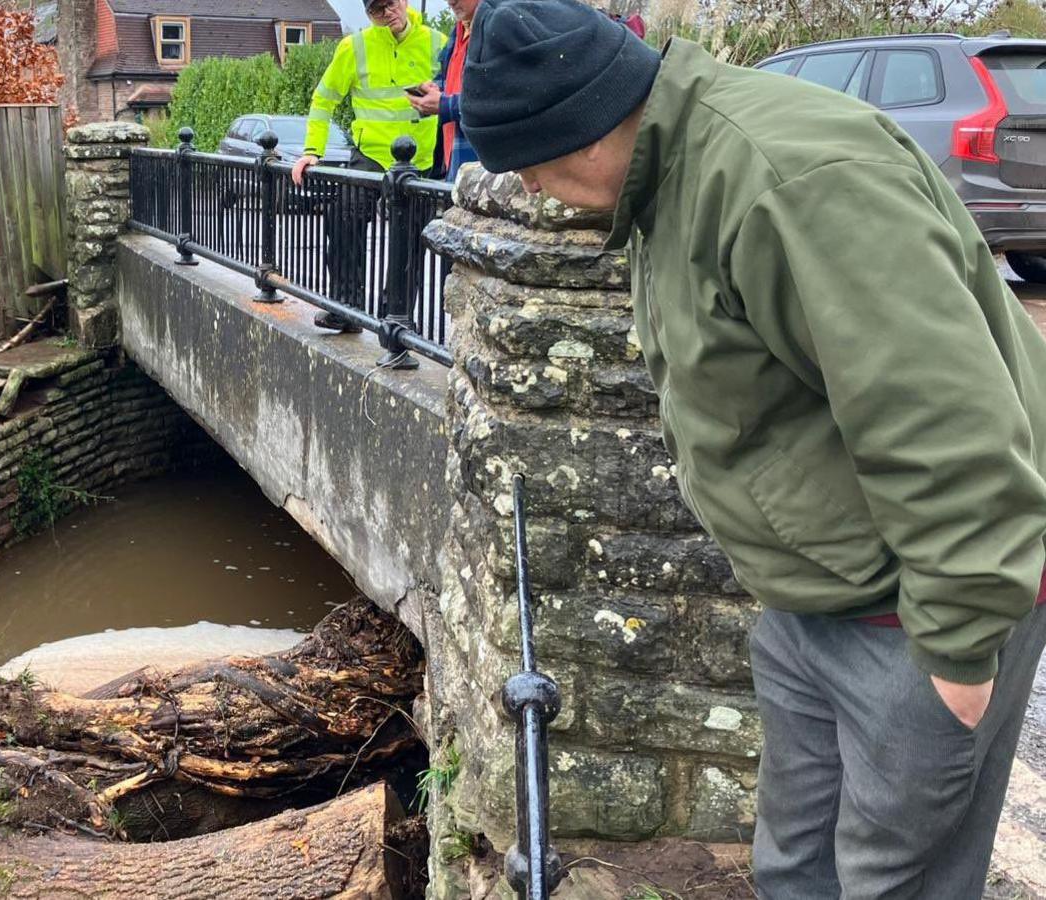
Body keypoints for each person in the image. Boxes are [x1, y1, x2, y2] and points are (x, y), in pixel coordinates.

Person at [459, 1, 1046, 897]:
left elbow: (942, 419)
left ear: (578, 128)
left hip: (912, 614)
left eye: (530, 170)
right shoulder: (670, 173)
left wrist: (960, 647)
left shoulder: (788, 181)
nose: (533, 193)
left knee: (895, 880)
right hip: (815, 602)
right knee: (793, 868)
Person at [291, 0, 443, 332]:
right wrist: (312, 150)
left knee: (411, 238)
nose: (387, 13)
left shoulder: (436, 42)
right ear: (367, 14)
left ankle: (396, 316)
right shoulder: (354, 47)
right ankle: (347, 308)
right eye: (377, 9)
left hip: (420, 158)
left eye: (390, 3)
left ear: (403, 1)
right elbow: (324, 98)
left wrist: (441, 96)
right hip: (371, 152)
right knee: (344, 216)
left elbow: (458, 92)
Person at [407, 0, 482, 182]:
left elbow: (499, 102)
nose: (450, 1)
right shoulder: (458, 30)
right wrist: (430, 91)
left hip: (484, 174)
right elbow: (449, 83)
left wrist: (444, 104)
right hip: (456, 169)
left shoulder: (500, 30)